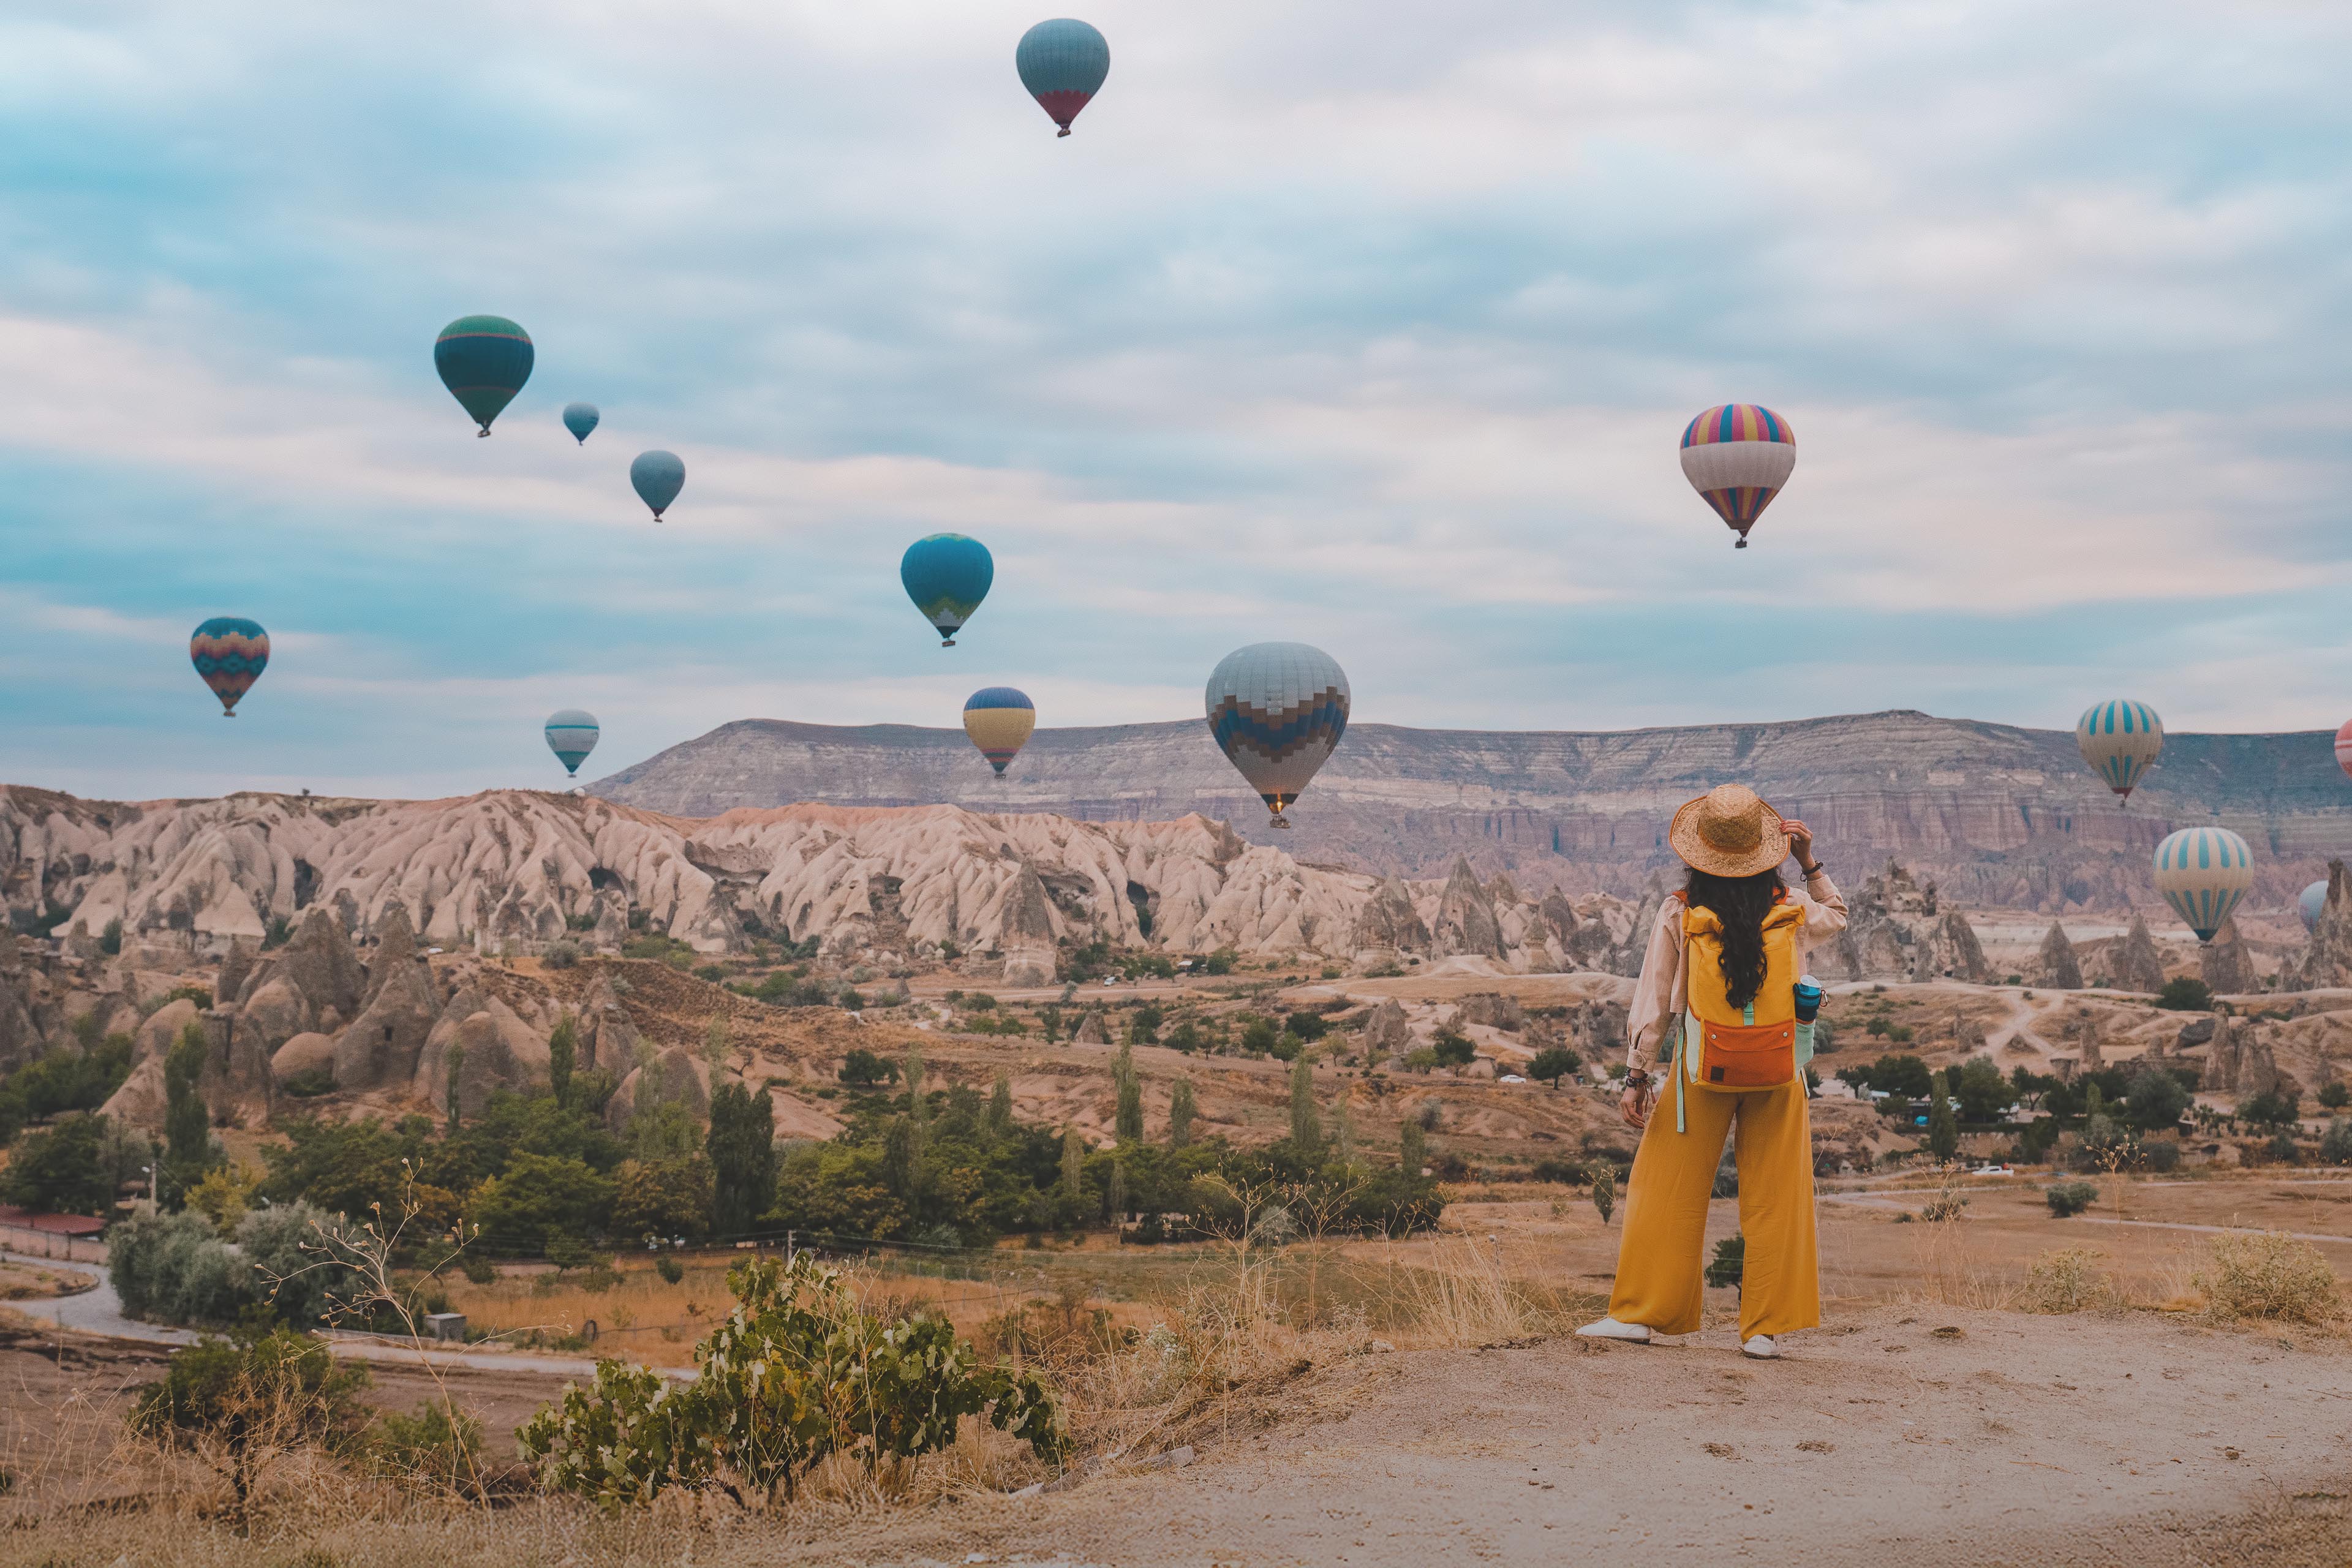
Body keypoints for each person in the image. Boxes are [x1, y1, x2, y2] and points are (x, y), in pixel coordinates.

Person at [1576, 783, 1847, 1360]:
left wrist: (1636, 1076)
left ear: (1699, 853)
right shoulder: (1793, 907)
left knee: (1664, 1188)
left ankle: (1642, 1314)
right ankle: (1765, 1330)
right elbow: (1839, 919)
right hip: (1780, 1074)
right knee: (1778, 1195)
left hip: (1699, 1075)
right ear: (1766, 849)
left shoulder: (1681, 910)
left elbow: (1654, 1000)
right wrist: (1810, 865)